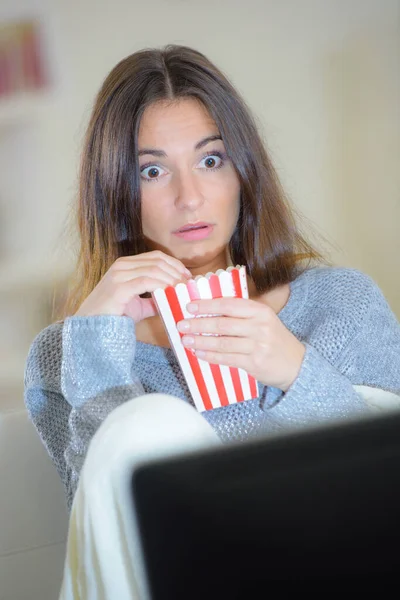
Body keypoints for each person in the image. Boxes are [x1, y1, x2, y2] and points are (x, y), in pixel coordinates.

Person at [24, 45, 400, 598]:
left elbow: (384, 490)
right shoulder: (67, 351)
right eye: (152, 170)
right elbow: (102, 537)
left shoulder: (339, 303)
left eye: (210, 160)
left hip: (330, 569)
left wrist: (295, 370)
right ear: (115, 191)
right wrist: (98, 347)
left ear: (244, 172)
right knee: (147, 424)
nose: (189, 197)